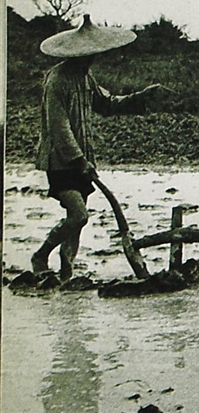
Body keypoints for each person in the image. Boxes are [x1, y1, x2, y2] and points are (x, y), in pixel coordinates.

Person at [31, 14, 162, 280]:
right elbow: (58, 126)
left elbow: (106, 103)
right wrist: (79, 160)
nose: (92, 59)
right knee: (79, 215)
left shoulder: (85, 78)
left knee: (76, 222)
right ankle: (41, 255)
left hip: (83, 157)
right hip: (61, 160)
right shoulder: (56, 80)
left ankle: (67, 271)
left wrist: (140, 97)